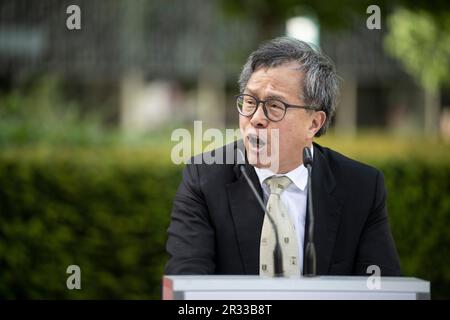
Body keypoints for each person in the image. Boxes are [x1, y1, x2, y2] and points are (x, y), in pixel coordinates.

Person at [165, 37, 401, 276]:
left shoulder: (361, 187)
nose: (256, 117)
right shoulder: (204, 178)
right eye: (249, 102)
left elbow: (381, 286)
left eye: (275, 106)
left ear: (314, 123)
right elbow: (188, 283)